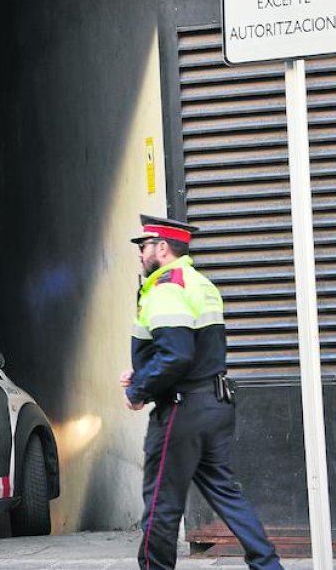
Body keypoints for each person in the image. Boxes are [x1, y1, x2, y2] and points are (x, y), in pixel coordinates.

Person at [120, 215, 283, 570]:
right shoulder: (201, 284)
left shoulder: (166, 288)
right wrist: (145, 369)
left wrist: (137, 389)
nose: (140, 254)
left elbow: (176, 354)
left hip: (182, 410)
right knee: (227, 495)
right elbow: (191, 349)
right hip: (215, 403)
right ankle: (268, 566)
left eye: (144, 246)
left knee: (162, 502)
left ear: (162, 248)